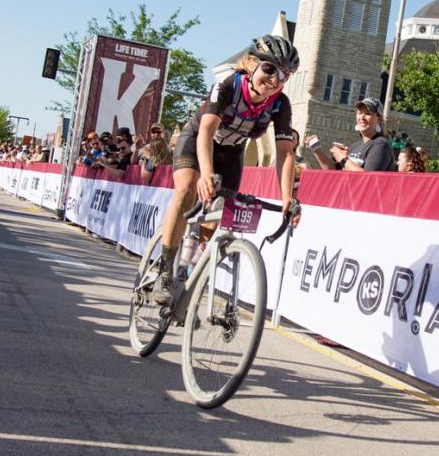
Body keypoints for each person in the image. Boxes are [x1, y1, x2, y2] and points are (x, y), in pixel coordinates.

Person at [152, 35, 302, 304]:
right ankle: (164, 270)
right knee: (187, 189)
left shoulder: (280, 104)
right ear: (252, 64)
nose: (275, 80)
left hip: (232, 152)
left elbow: (284, 152)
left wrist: (287, 197)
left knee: (217, 213)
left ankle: (185, 273)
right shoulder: (229, 84)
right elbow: (206, 132)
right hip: (198, 140)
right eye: (270, 70)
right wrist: (206, 174)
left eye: (284, 75)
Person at [305, 97, 395, 172]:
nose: (362, 117)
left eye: (368, 114)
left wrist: (343, 159)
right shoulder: (355, 146)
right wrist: (316, 149)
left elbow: (367, 179)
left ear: (378, 119)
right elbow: (333, 171)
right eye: (359, 113)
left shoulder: (381, 144)